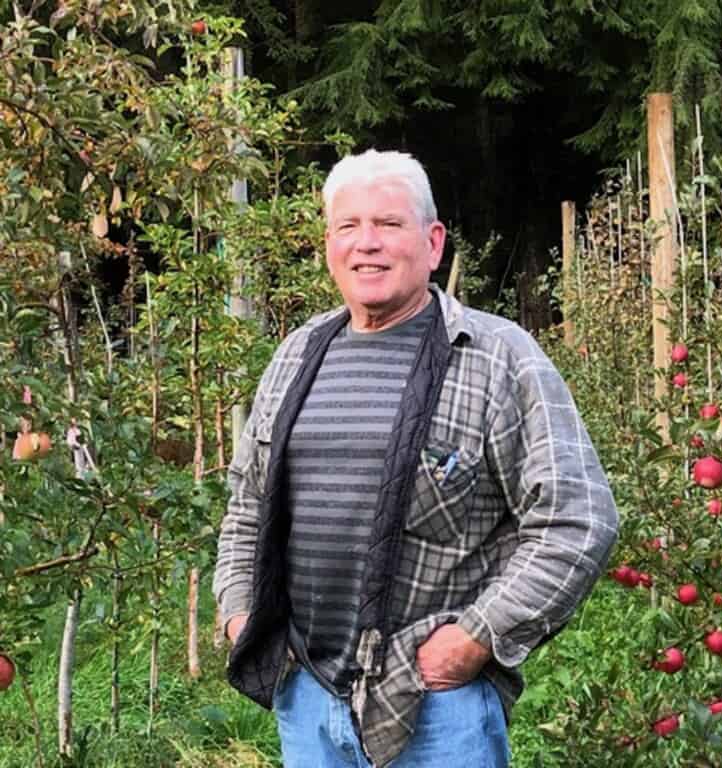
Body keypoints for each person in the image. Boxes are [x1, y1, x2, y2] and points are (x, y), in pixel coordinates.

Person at [213, 148, 619, 768]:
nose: (366, 244)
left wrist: (477, 637)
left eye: (388, 225)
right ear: (329, 245)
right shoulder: (296, 355)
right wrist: (241, 613)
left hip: (435, 703)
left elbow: (579, 517)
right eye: (348, 226)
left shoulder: (498, 358)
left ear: (432, 243)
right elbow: (247, 504)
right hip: (307, 696)